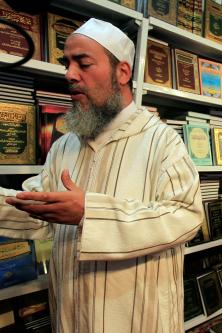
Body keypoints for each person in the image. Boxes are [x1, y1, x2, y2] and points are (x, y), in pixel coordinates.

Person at [1, 18, 203, 333]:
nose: (69, 74)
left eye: (82, 63)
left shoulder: (162, 141)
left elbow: (186, 216)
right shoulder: (64, 145)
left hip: (137, 320)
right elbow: (39, 211)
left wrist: (89, 213)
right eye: (66, 63)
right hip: (71, 315)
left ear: (122, 72)